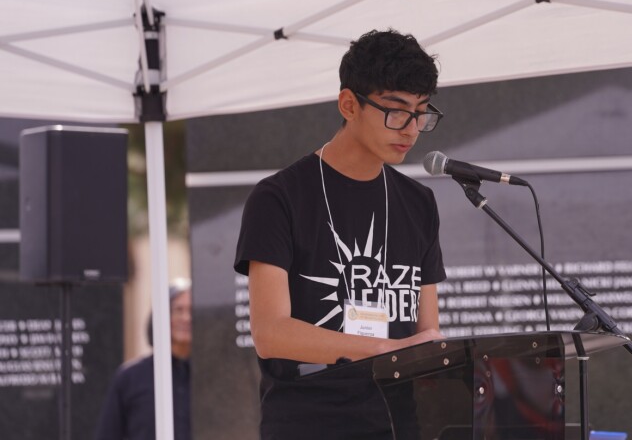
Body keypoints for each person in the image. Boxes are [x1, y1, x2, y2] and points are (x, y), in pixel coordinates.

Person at [234, 29, 447, 439]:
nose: (411, 129)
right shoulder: (279, 198)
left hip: (400, 425)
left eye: (422, 112)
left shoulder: (419, 203)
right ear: (349, 104)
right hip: (310, 425)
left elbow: (426, 333)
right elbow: (270, 333)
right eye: (397, 111)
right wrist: (385, 349)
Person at [94, 279, 192, 440]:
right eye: (178, 310)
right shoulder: (130, 378)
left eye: (192, 310)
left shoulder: (213, 377)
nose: (186, 318)